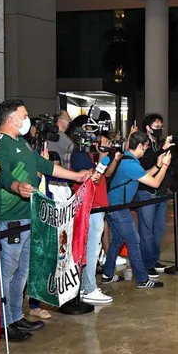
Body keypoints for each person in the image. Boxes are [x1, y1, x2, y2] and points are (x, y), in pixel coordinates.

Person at [0, 99, 93, 341]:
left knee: (23, 271)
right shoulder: (0, 143)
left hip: (30, 214)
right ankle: (2, 323)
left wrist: (76, 176)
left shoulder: (23, 144)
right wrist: (15, 186)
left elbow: (46, 166)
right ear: (12, 119)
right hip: (10, 218)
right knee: (7, 271)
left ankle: (16, 316)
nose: (28, 119)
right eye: (24, 114)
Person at [102, 131, 172, 289]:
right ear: (140, 145)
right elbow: (154, 183)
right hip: (118, 207)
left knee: (118, 240)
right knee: (134, 240)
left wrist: (158, 165)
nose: (146, 150)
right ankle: (142, 278)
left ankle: (107, 273)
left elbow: (143, 175)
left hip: (115, 205)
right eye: (145, 147)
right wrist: (165, 166)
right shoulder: (131, 164)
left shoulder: (128, 159)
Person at [70, 129, 118, 304]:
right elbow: (95, 177)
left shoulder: (89, 153)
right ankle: (89, 287)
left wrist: (104, 156)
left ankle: (86, 286)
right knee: (91, 248)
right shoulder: (80, 154)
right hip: (90, 205)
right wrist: (102, 156)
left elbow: (104, 173)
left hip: (97, 203)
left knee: (94, 247)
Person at [137, 113, 178, 276]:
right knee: (146, 230)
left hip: (162, 193)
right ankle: (146, 263)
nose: (159, 130)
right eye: (156, 127)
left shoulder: (162, 144)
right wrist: (162, 149)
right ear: (148, 128)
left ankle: (153, 259)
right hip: (146, 193)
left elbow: (173, 166)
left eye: (161, 127)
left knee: (158, 229)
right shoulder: (142, 145)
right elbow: (146, 163)